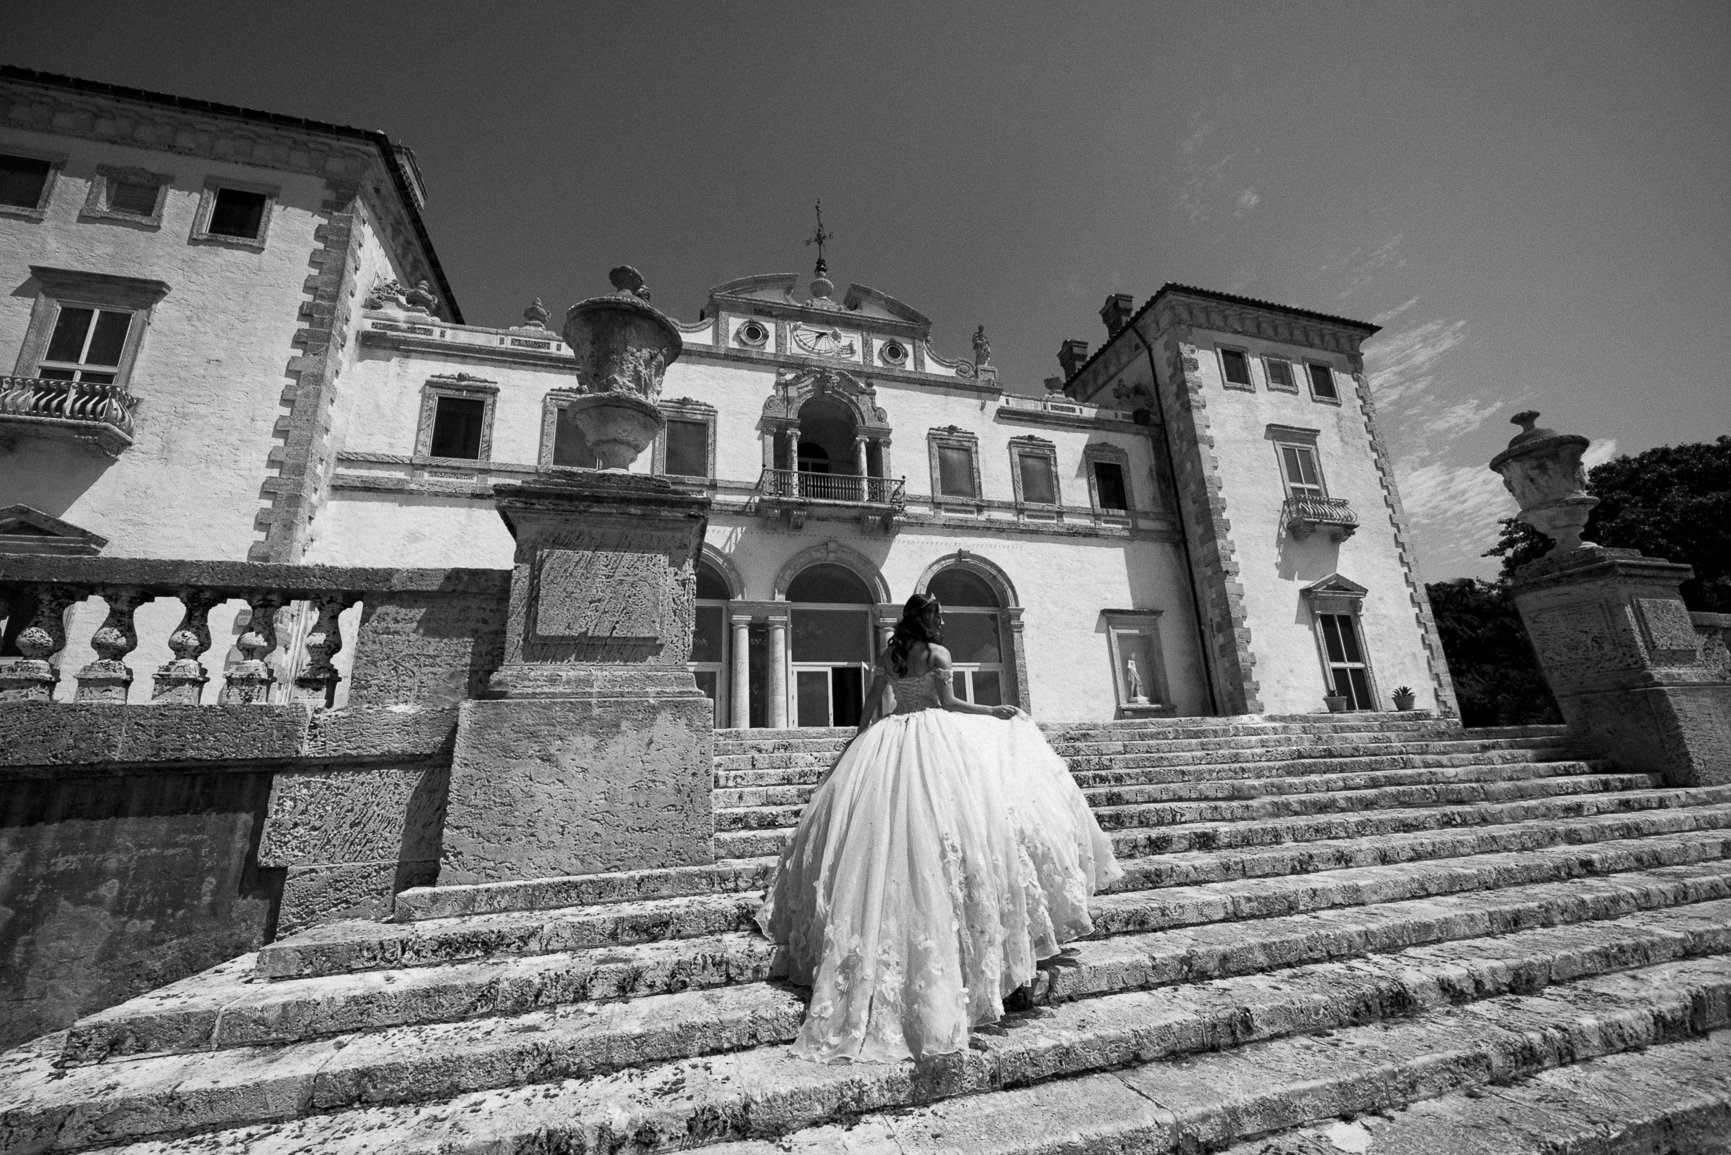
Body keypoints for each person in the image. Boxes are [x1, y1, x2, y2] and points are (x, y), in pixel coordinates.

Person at [756, 592, 1123, 1063]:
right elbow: (947, 704)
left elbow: (872, 712)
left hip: (887, 739)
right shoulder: (938, 654)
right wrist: (993, 711)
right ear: (928, 618)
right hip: (932, 740)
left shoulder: (889, 655)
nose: (943, 618)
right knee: (956, 826)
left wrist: (851, 750)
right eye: (938, 613)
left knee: (880, 836)